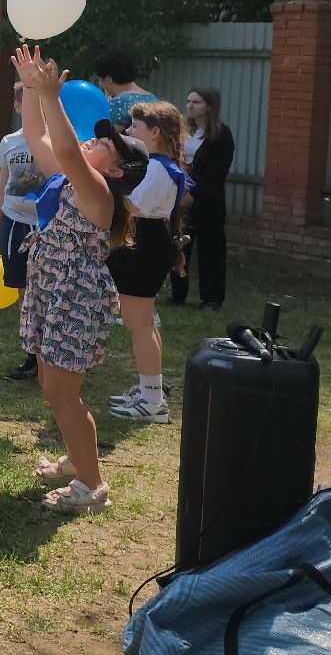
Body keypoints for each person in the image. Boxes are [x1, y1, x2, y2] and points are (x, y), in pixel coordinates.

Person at [13, 46, 149, 515]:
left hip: (74, 299)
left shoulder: (98, 193)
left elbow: (67, 149)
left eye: (103, 145)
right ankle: (77, 460)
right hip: (55, 293)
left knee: (62, 393)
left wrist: (51, 94)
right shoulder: (77, 180)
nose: (93, 141)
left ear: (113, 170)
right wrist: (32, 90)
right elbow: (36, 135)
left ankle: (91, 485)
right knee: (54, 389)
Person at [107, 101, 193, 424]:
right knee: (144, 322)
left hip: (144, 246)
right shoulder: (159, 164)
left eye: (135, 127)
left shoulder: (158, 168)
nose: (128, 132)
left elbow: (130, 207)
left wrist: (107, 182)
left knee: (138, 324)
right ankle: (149, 390)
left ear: (154, 132)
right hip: (147, 243)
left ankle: (152, 401)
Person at [0, 84, 46, 382]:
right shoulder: (9, 142)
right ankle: (32, 354)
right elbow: (1, 189)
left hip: (48, 226)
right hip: (14, 223)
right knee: (23, 290)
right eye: (29, 102)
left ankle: (54, 351)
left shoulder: (55, 142)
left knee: (48, 289)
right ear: (18, 106)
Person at [168, 87, 234, 309]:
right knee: (179, 245)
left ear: (209, 106)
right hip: (181, 198)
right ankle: (178, 293)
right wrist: (181, 191)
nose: (189, 106)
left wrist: (193, 194)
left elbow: (216, 172)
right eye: (188, 101)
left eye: (195, 102)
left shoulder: (221, 135)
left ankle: (212, 297)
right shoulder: (184, 131)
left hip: (208, 202)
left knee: (210, 248)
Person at [92, 52, 157, 128]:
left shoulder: (120, 102)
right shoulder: (151, 98)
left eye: (99, 79)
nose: (100, 84)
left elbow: (109, 138)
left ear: (109, 79)